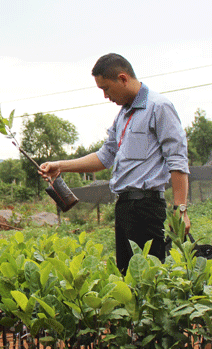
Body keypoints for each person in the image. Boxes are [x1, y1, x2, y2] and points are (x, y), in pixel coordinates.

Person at [40, 53, 190, 272]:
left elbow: (177, 159)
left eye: (106, 88)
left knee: (149, 279)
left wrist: (181, 209)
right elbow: (105, 156)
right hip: (125, 208)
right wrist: (60, 166)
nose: (105, 96)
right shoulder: (123, 116)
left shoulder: (159, 107)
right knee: (127, 278)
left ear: (122, 78)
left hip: (147, 208)